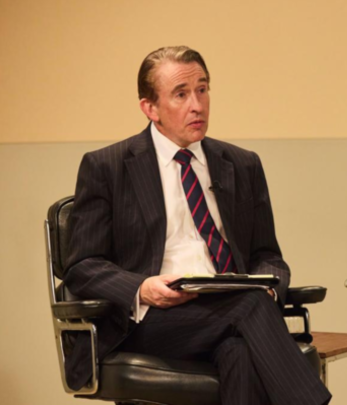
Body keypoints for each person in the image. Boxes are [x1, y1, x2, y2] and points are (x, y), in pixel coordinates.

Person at [64, 46, 331, 405]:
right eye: (181, 94)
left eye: (202, 90)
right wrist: (142, 287)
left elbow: (267, 255)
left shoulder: (241, 164)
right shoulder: (108, 167)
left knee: (240, 352)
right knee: (249, 307)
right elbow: (82, 267)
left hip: (232, 312)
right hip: (151, 321)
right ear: (150, 108)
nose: (197, 105)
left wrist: (270, 289)